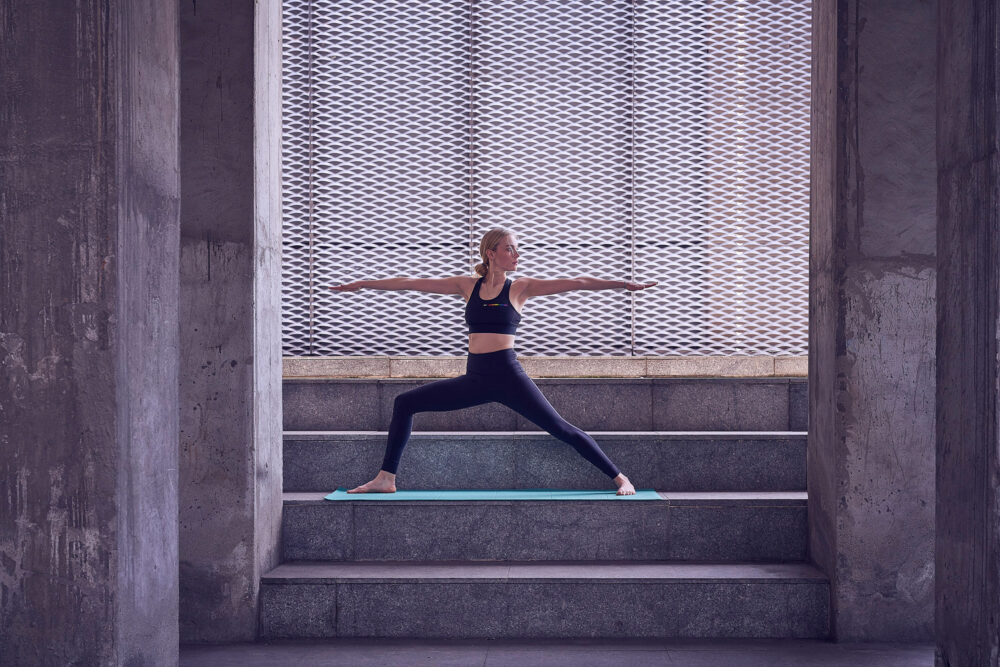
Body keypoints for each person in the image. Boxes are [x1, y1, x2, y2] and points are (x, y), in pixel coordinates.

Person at [328, 227, 657, 495]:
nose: (517, 254)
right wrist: (363, 285)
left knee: (560, 428)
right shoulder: (466, 286)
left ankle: (620, 478)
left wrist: (625, 284)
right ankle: (386, 479)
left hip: (509, 376)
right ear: (491, 252)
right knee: (405, 403)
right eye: (510, 248)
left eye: (517, 248)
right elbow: (410, 283)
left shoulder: (521, 289)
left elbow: (578, 283)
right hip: (476, 378)